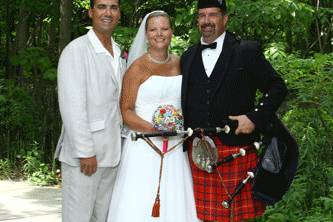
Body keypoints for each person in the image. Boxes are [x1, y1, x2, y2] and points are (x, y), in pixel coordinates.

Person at [180, 0, 288, 221]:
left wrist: (254, 118)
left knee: (235, 217)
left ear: (225, 18)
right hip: (198, 151)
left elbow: (277, 87)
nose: (206, 21)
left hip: (235, 149)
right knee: (199, 216)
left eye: (213, 15)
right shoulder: (188, 56)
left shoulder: (245, 51)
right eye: (202, 15)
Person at [107, 10, 200, 222]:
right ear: (146, 34)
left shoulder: (181, 63)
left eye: (164, 28)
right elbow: (126, 111)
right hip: (144, 146)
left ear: (171, 32)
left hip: (176, 148)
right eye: (153, 29)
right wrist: (155, 130)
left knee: (174, 200)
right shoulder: (137, 68)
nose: (159, 34)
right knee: (141, 202)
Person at [55, 0, 125, 221]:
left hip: (113, 152)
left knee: (101, 218)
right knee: (78, 216)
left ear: (119, 14)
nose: (108, 12)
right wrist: (85, 151)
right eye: (102, 7)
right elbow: (72, 105)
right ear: (91, 12)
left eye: (113, 7)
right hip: (85, 156)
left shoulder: (119, 51)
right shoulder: (76, 50)